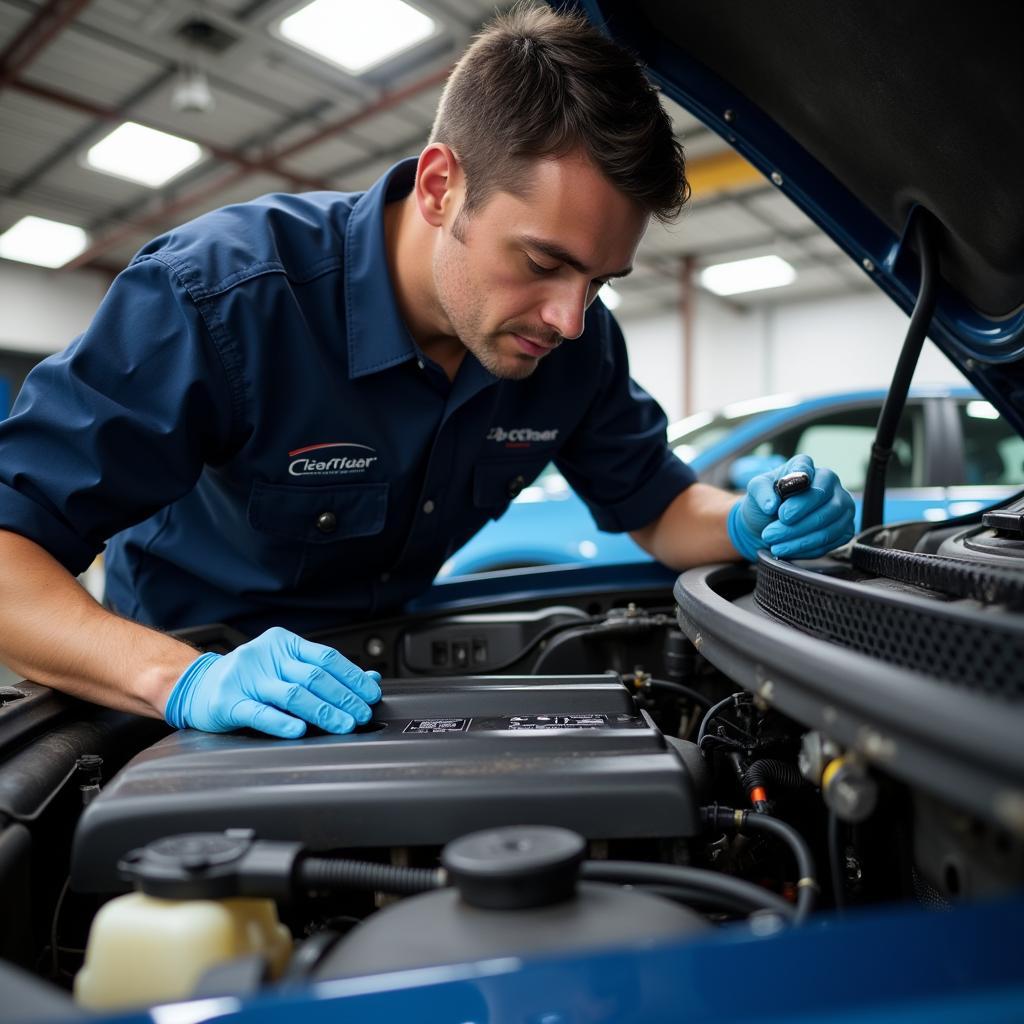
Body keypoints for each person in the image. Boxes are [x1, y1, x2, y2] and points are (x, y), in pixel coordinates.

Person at [0, 6, 854, 739]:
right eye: (544, 260)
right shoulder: (226, 297)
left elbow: (658, 508)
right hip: (182, 708)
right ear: (443, 186)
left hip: (381, 685)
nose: (570, 317)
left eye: (598, 281)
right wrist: (181, 679)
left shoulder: (576, 346)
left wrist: (748, 522)